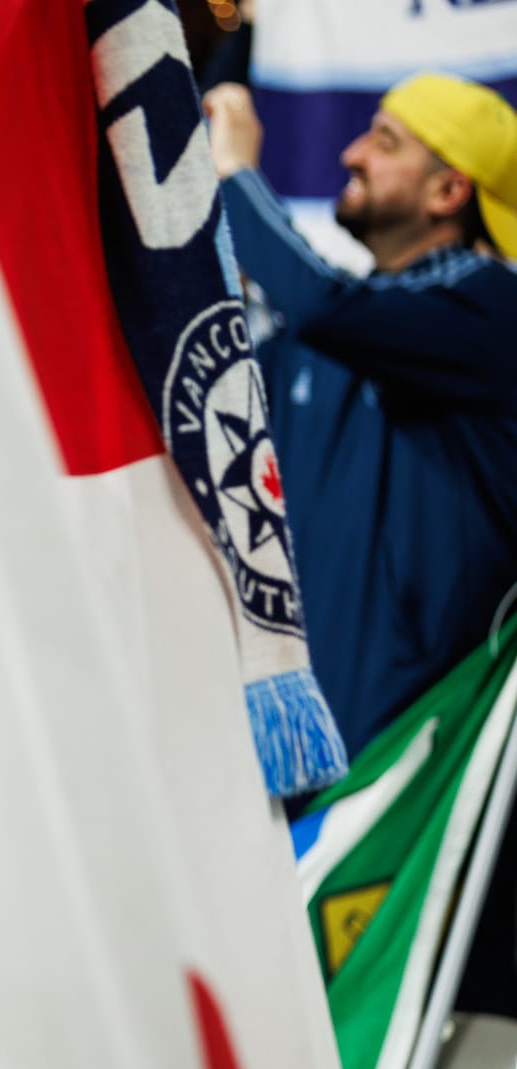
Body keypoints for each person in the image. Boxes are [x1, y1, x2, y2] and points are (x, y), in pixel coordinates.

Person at [203, 72, 517, 759]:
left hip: (414, 757)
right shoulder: (335, 332)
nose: (351, 155)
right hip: (291, 741)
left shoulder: (493, 307)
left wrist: (235, 173)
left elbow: (322, 303)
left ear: (447, 192)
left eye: (384, 142)